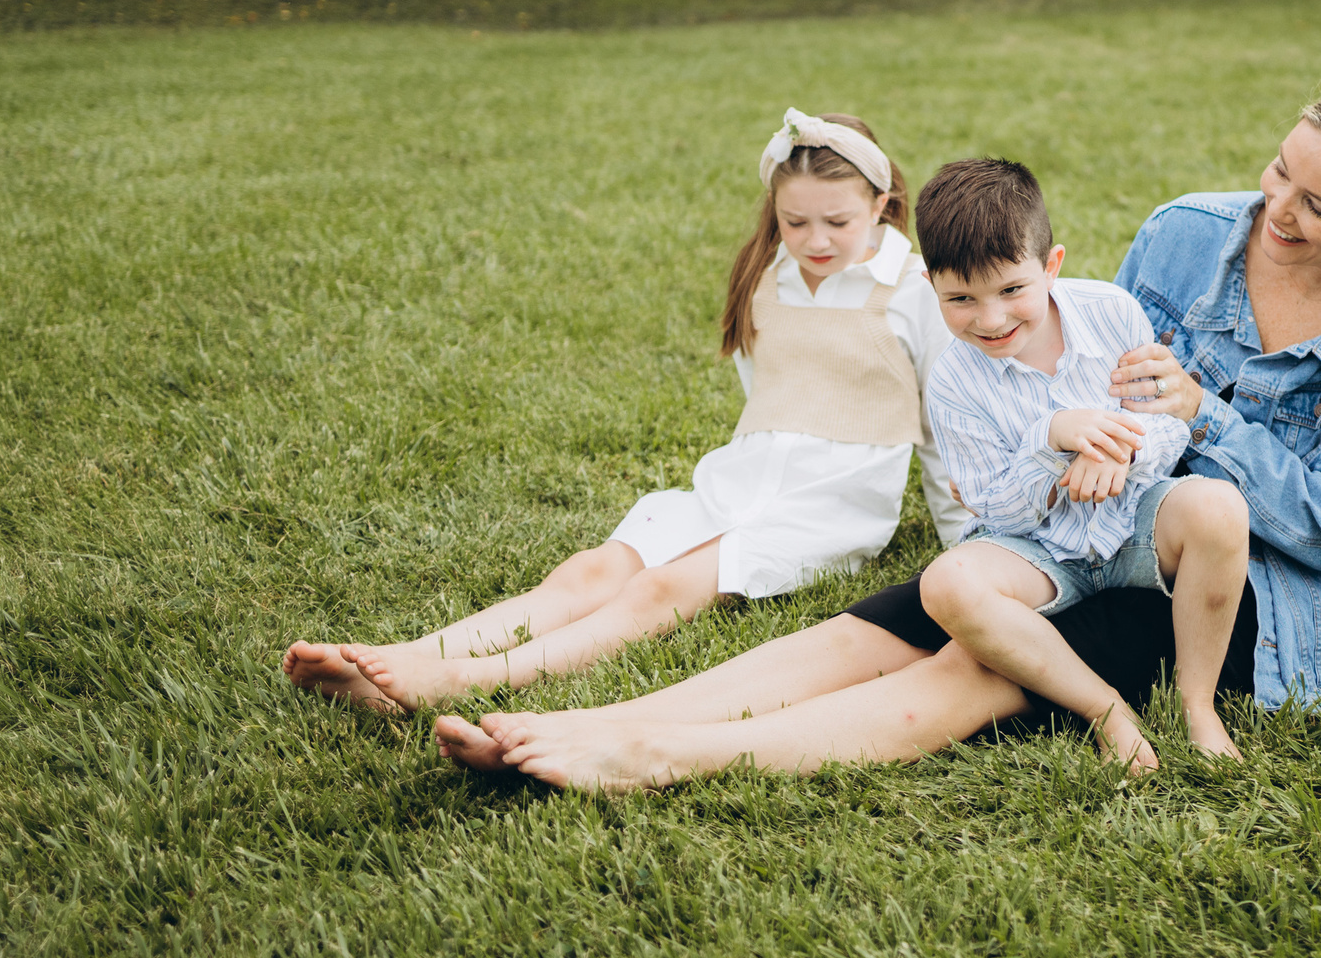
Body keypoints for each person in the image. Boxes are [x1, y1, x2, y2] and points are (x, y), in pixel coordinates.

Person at [427, 73, 1321, 790]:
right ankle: (602, 719)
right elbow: (1073, 366)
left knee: (971, 672)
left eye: (1315, 206)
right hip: (1089, 517)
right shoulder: (1186, 234)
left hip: (1254, 584)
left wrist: (1200, 416)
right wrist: (1073, 446)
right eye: (1278, 171)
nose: (1276, 208)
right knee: (879, 625)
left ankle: (653, 756)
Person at [281, 108, 964, 713]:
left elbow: (941, 427)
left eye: (838, 221)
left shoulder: (912, 290)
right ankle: (402, 655)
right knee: (590, 570)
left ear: (881, 202)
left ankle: (468, 679)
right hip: (738, 480)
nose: (815, 239)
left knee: (659, 587)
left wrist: (963, 539)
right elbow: (769, 388)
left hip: (827, 507)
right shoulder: (770, 277)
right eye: (795, 221)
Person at [908, 158, 1252, 770]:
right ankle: (1103, 708)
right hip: (1036, 548)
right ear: (932, 286)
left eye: (1012, 290)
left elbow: (1168, 424)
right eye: (960, 299)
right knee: (946, 584)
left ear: (1051, 265)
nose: (990, 319)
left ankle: (1198, 704)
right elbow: (990, 505)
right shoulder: (953, 381)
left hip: (1132, 523)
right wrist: (1052, 440)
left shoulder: (1110, 312)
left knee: (1219, 506)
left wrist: (1118, 449)